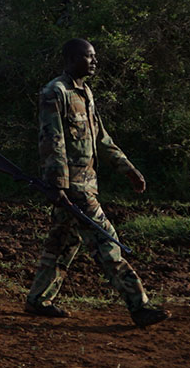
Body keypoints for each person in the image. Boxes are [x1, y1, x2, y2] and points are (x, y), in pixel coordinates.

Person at [27, 39, 167, 328]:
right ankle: (139, 305)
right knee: (107, 242)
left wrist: (127, 168)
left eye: (94, 57)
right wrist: (59, 187)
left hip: (88, 184)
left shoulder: (86, 93)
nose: (94, 62)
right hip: (74, 189)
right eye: (88, 57)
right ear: (71, 58)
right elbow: (51, 142)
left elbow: (101, 137)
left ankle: (39, 300)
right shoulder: (56, 92)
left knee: (62, 243)